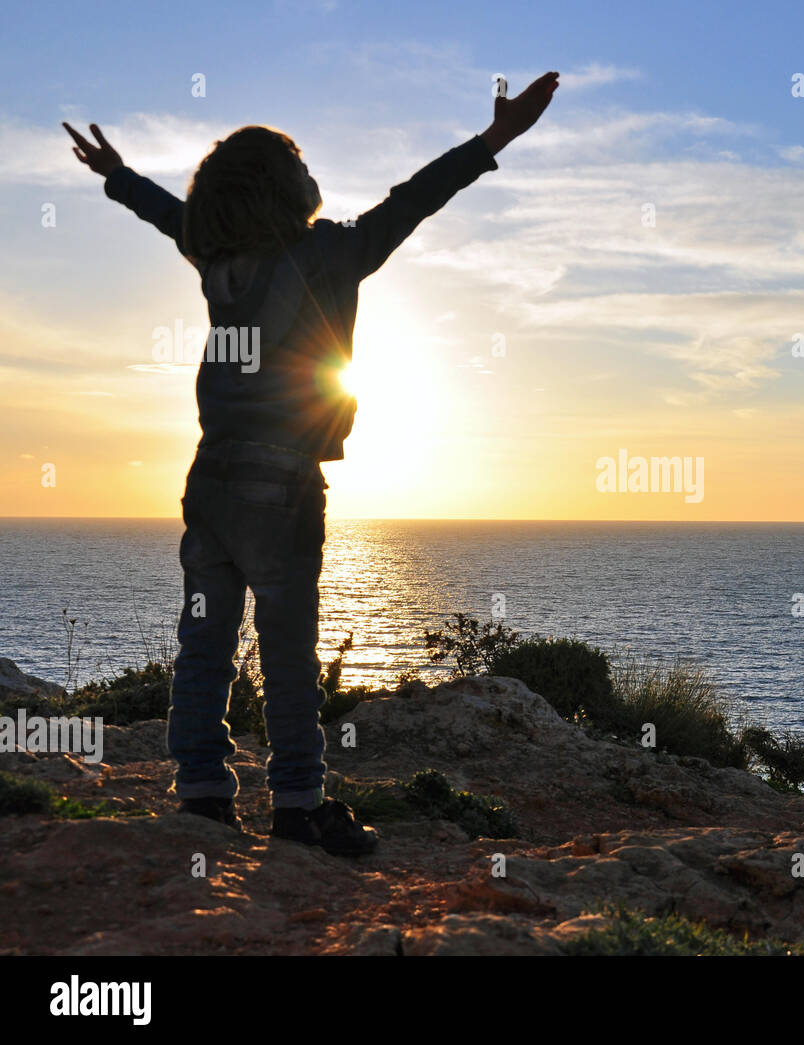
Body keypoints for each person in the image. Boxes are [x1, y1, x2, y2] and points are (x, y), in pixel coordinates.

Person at [63, 70, 559, 856]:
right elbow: (413, 200)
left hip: (209, 482)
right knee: (288, 656)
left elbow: (171, 216)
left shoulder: (214, 255)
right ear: (289, 183)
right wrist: (494, 140)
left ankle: (200, 797)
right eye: (300, 160)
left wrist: (117, 176)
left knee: (204, 646)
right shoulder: (331, 253)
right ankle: (298, 805)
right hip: (281, 487)